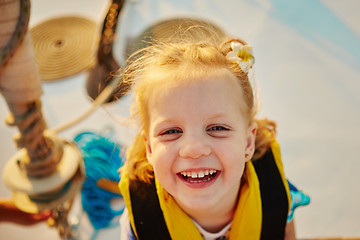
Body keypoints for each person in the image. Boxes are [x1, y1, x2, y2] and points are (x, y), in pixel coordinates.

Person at [118, 29, 309, 240]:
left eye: (217, 128)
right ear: (150, 148)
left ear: (247, 142)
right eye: (171, 131)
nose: (194, 149)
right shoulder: (140, 219)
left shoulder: (276, 193)